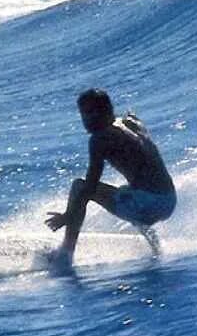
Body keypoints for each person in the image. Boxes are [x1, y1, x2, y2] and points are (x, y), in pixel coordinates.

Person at [44, 87, 176, 257]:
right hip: (168, 200)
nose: (84, 120)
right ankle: (156, 247)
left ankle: (66, 253)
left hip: (148, 205)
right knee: (128, 191)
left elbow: (89, 187)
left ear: (99, 112)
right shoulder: (130, 123)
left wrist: (68, 215)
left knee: (79, 187)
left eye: (86, 114)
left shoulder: (100, 139)